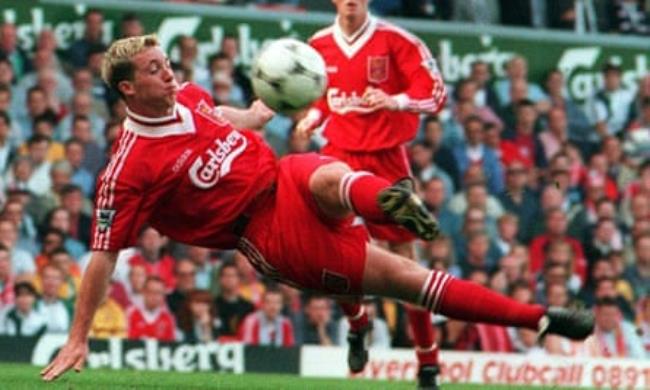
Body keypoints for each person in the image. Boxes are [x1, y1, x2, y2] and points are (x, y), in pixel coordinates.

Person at [41, 35, 594, 386]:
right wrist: (78, 334)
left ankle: (392, 203)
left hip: (281, 176)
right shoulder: (128, 168)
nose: (170, 74)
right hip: (265, 235)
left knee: (330, 170)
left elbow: (222, 115)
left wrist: (258, 114)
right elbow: (102, 256)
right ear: (128, 88)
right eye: (156, 70)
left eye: (166, 63)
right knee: (409, 278)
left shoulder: (186, 95)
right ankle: (543, 319)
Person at [295, 0, 448, 383]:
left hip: (386, 157)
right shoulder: (317, 43)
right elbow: (321, 97)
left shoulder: (397, 41)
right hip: (338, 155)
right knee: (333, 250)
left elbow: (435, 93)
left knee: (404, 260)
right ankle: (357, 323)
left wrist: (395, 100)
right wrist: (313, 117)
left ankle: (427, 359)